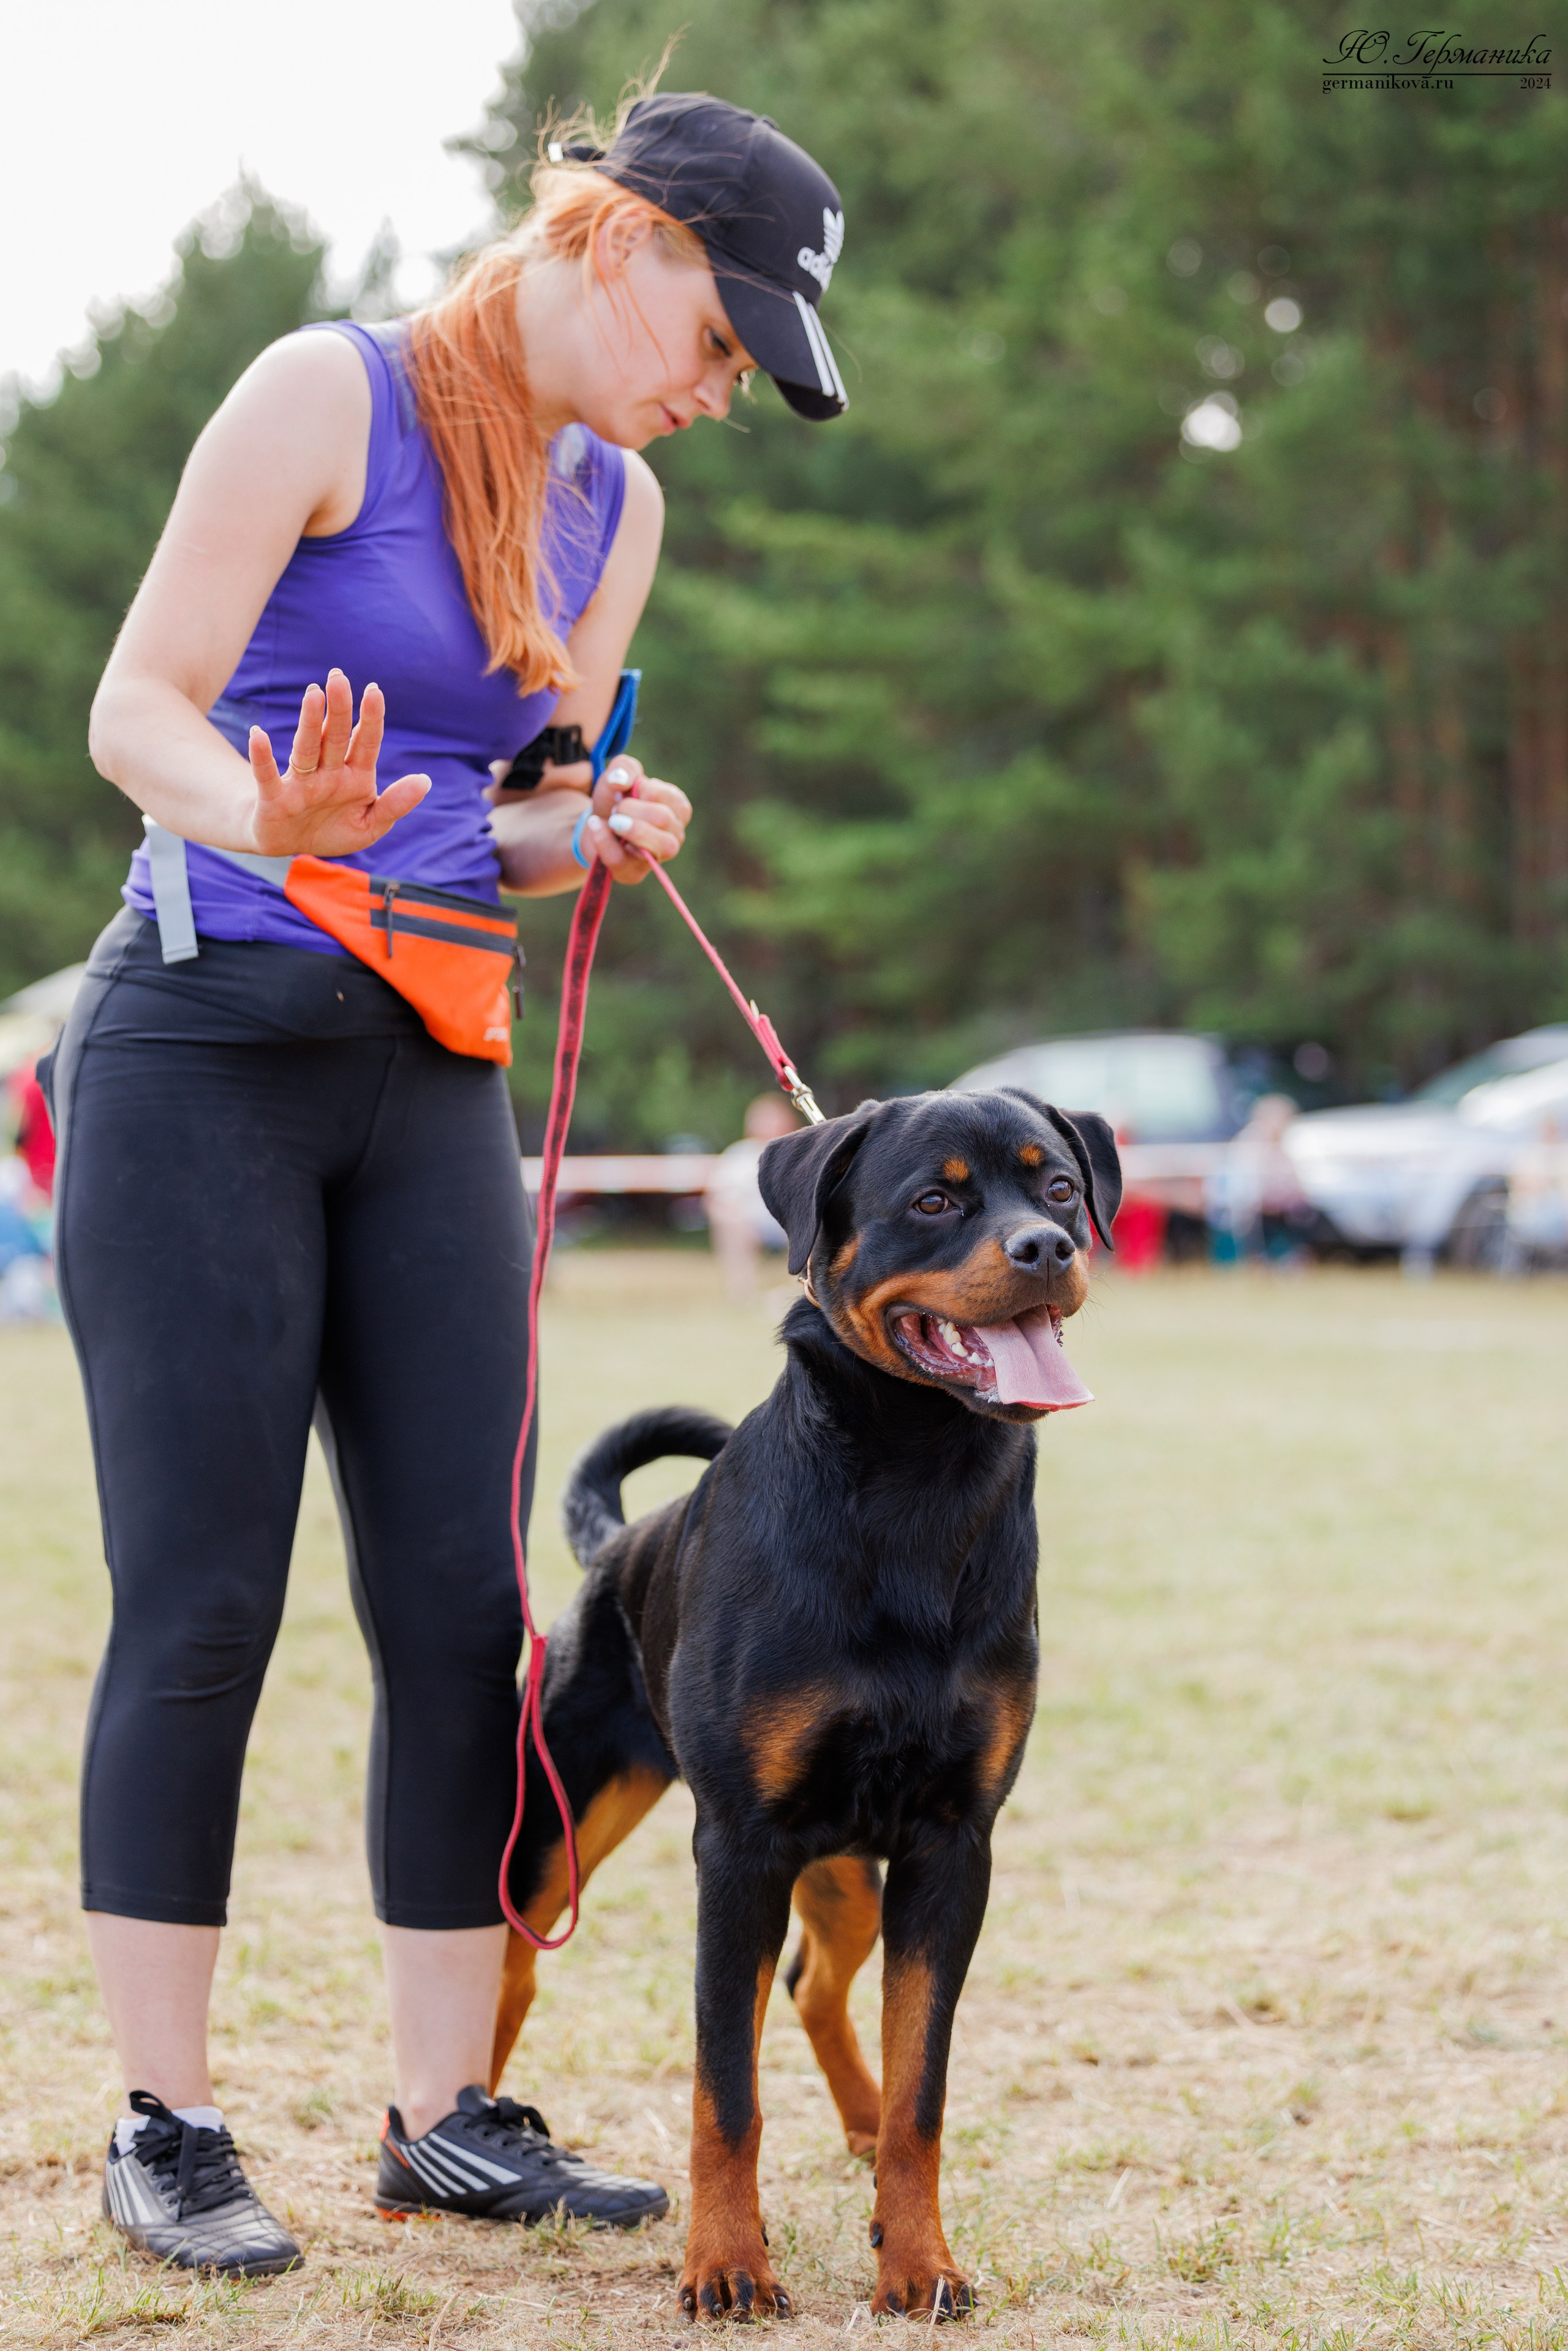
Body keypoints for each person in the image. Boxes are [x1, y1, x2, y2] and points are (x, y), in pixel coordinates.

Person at [48, 90, 849, 2276]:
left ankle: (442, 2108)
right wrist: (265, 817)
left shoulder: (618, 515)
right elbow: (140, 711)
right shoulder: (328, 391)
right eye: (720, 324)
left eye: (757, 368)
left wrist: (576, 832)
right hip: (200, 1045)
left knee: (460, 1608)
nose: (719, 386)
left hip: (425, 1075)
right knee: (202, 1601)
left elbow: (493, 813)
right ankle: (166, 2115)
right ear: (611, 237)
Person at [704, 1092, 801, 1295]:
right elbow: (716, 1199)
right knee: (729, 1222)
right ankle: (742, 1290)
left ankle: (803, 1291)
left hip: (792, 1223)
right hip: (750, 1222)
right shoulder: (738, 1156)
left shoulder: (799, 1154)